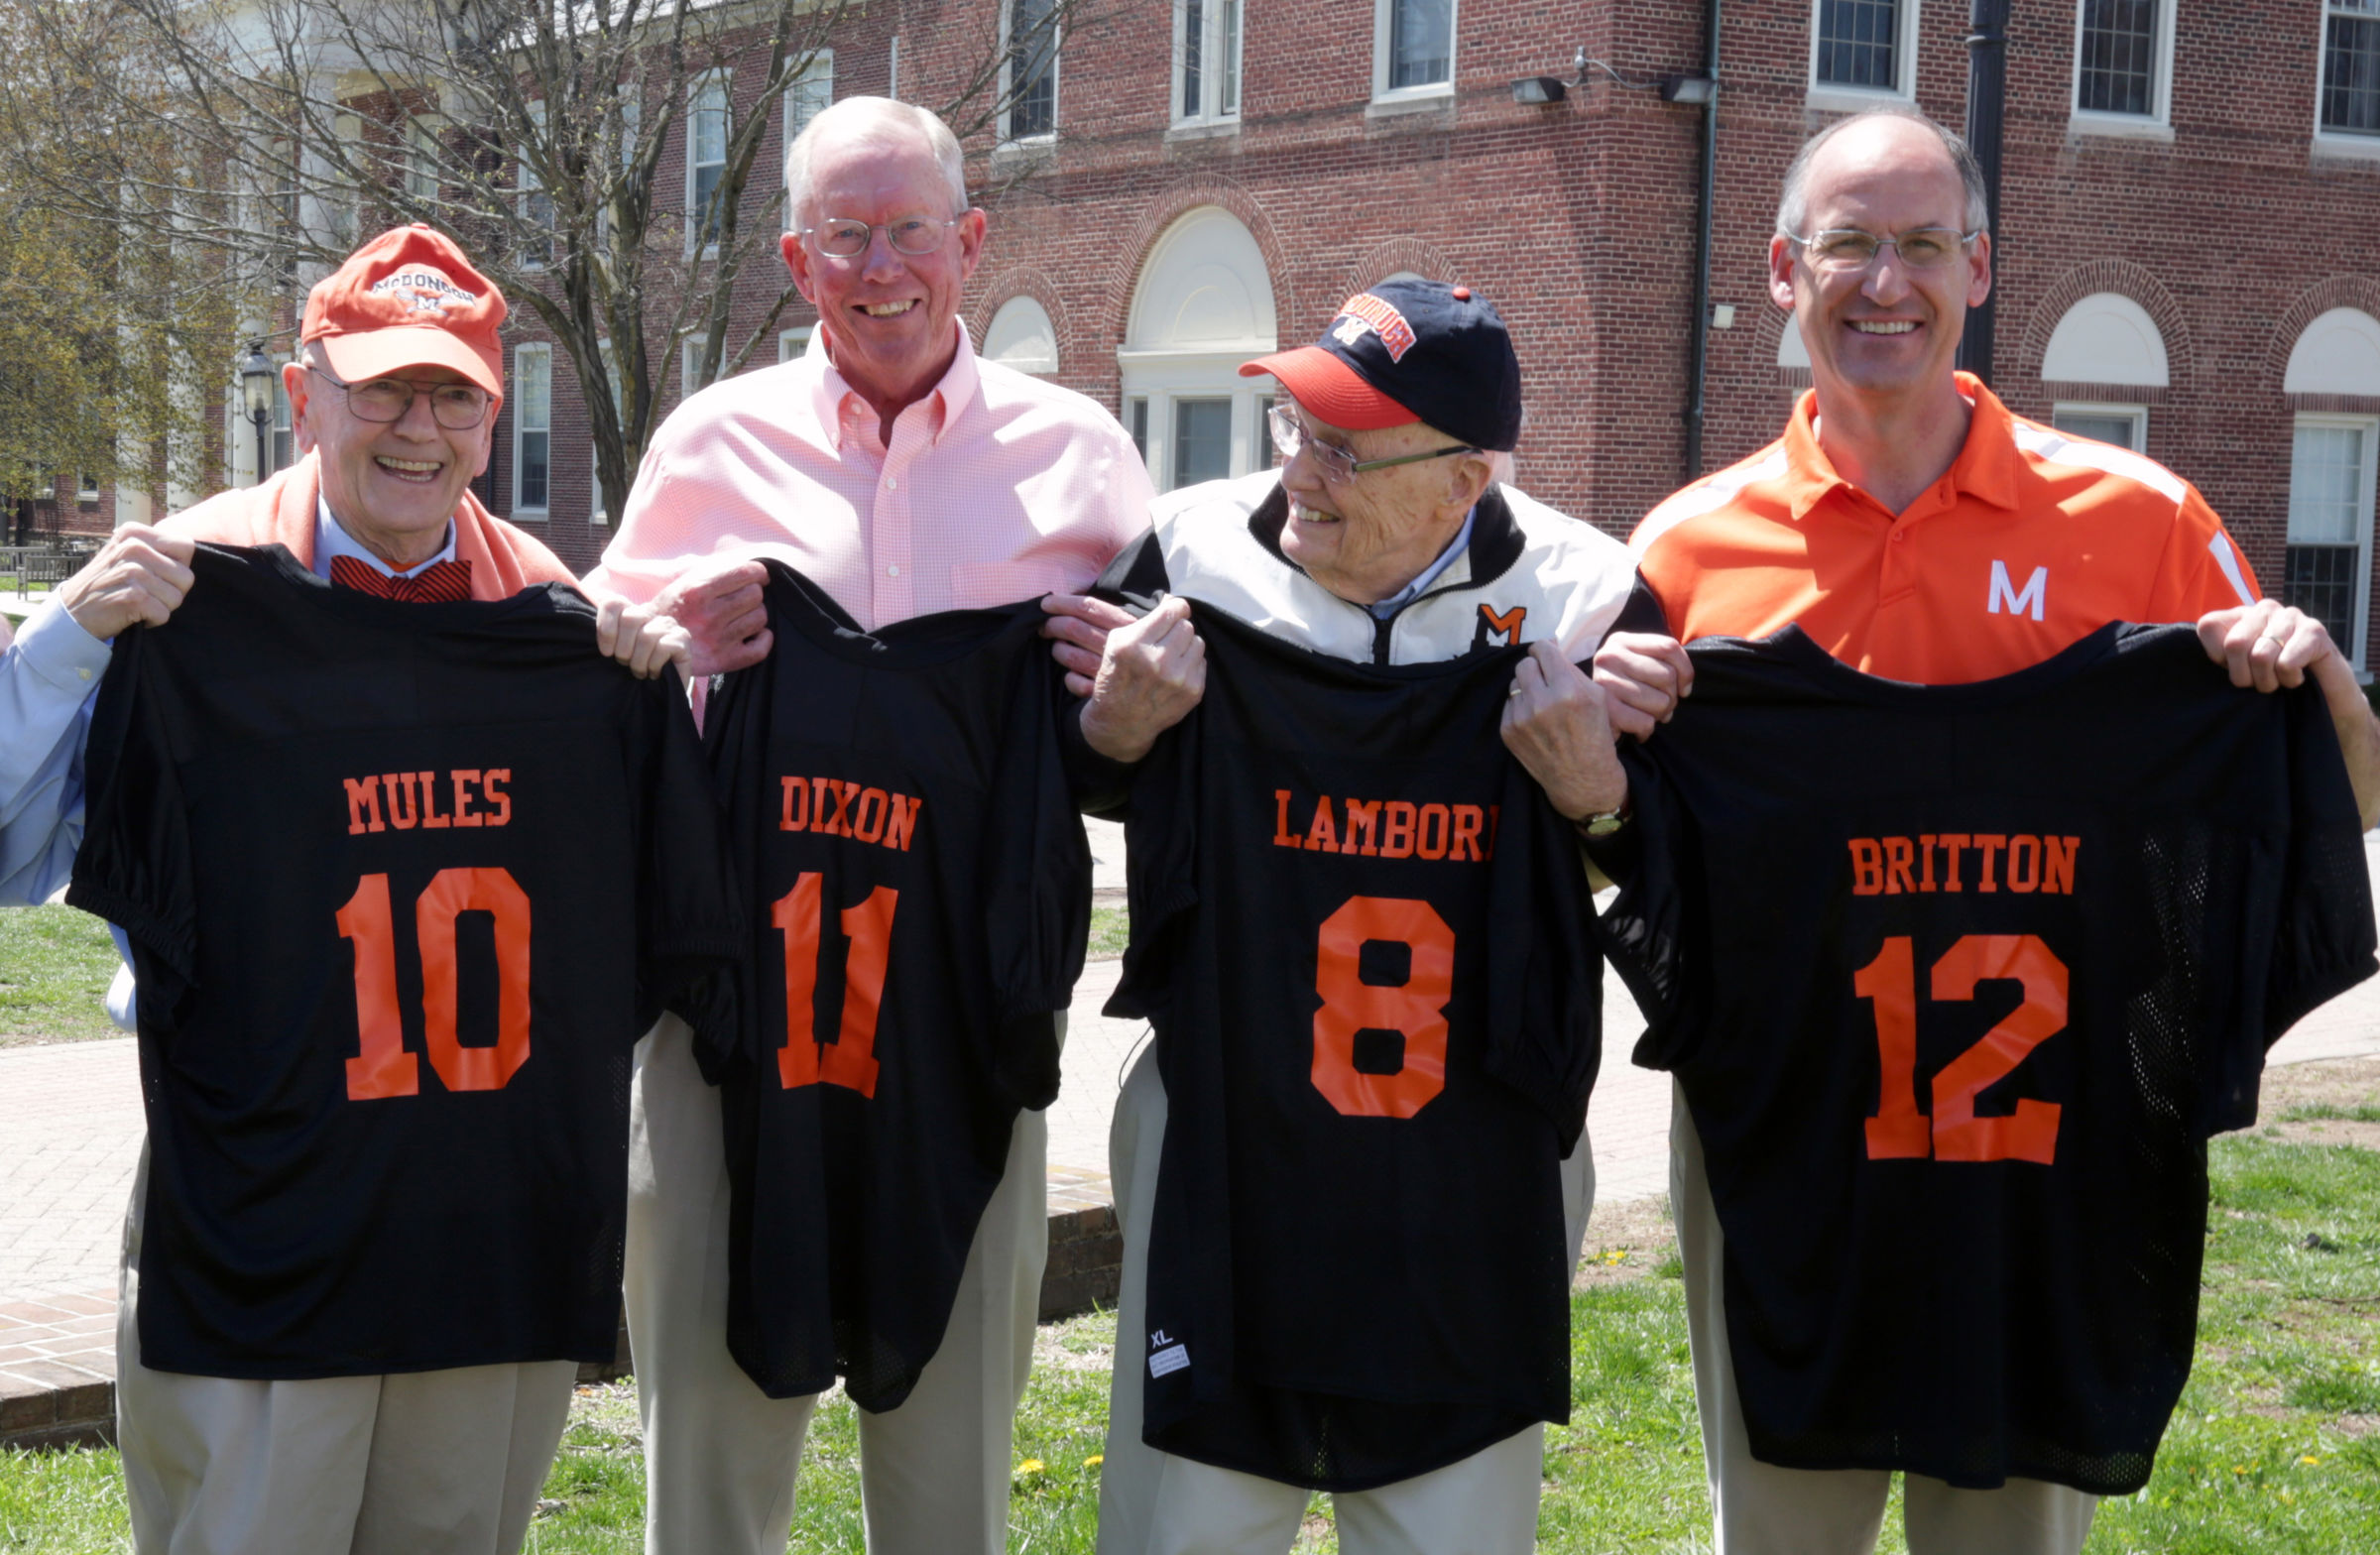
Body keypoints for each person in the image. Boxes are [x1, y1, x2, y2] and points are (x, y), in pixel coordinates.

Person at [1594, 104, 2380, 1555]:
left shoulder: (2143, 520)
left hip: (2050, 1130)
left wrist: (2312, 686)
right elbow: (1619, 852)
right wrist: (1603, 739)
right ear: (1783, 268)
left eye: (1923, 244)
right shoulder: (1684, 548)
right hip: (1782, 1115)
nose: (1886, 282)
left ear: (1982, 265)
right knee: (1778, 1528)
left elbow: (2329, 807)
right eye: (1849, 244)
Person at [0, 222, 685, 1555]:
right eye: (381, 389)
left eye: (452, 395)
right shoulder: (181, 593)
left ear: (493, 416)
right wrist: (69, 640)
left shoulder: (554, 616)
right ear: (304, 392)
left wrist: (652, 683)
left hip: (485, 1206)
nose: (417, 428)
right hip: (251, 1193)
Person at [579, 95, 1152, 1555]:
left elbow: (1127, 745)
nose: (880, 265)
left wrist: (1133, 700)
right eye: (845, 235)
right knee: (709, 1449)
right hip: (733, 1002)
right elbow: (593, 684)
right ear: (796, 258)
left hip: (964, 1006)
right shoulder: (709, 443)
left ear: (971, 240)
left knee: (953, 1451)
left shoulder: (1082, 458)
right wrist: (664, 644)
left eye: (909, 230)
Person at [1060, 279, 1634, 1555]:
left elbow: (1663, 861)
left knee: (1448, 1520)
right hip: (1223, 1120)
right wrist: (1113, 728)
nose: (1300, 472)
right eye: (1297, 428)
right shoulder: (1189, 549)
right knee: (1188, 1521)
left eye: (1345, 449)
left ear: (1465, 480)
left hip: (1475, 1149)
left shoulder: (1587, 595)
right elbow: (1064, 772)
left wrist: (1602, 793)